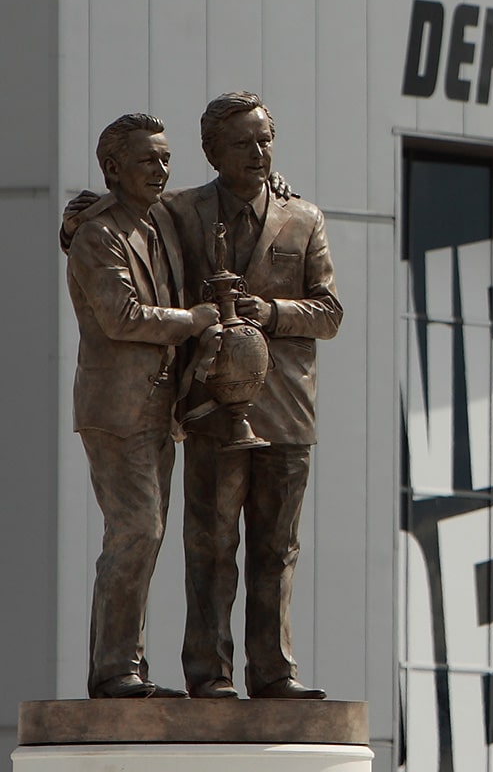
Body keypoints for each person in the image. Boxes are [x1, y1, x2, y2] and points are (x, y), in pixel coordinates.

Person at [63, 92, 342, 699]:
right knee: (206, 545)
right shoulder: (180, 212)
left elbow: (329, 312)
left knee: (278, 547)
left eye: (264, 140)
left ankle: (274, 672)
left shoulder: (304, 217)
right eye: (241, 143)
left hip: (287, 408)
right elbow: (116, 211)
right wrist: (75, 215)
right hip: (208, 406)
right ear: (212, 153)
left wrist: (268, 311)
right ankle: (207, 674)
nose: (258, 152)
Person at [66, 113, 220, 698]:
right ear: (112, 170)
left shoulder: (157, 223)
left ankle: (128, 666)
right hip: (115, 409)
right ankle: (113, 673)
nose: (162, 169)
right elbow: (121, 316)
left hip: (158, 409)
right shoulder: (97, 234)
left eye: (165, 158)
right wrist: (193, 322)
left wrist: (273, 185)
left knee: (145, 536)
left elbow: (217, 198)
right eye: (147, 160)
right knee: (136, 530)